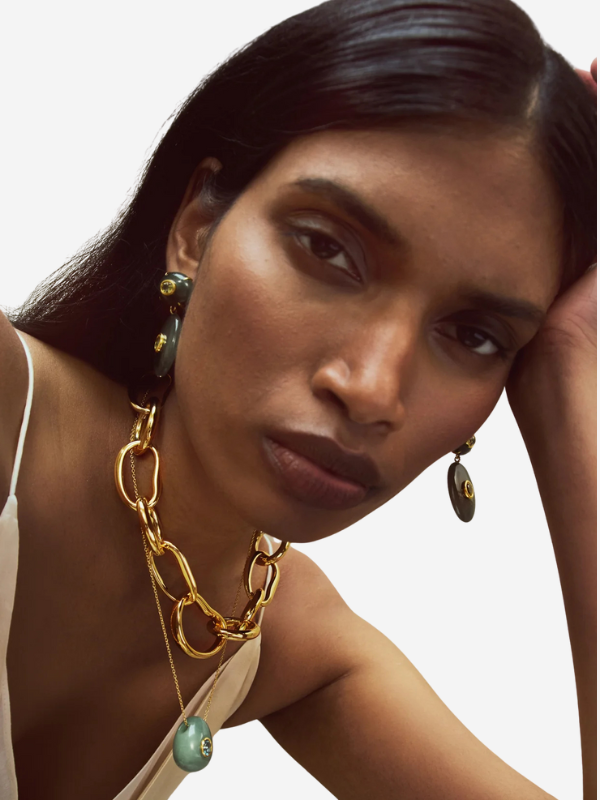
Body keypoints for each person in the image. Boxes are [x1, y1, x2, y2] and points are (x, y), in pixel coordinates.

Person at [0, 0, 596, 798]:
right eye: (327, 249)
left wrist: (571, 377)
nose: (372, 390)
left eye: (476, 335)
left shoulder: (282, 639)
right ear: (197, 228)